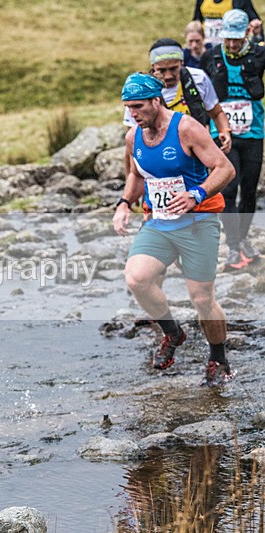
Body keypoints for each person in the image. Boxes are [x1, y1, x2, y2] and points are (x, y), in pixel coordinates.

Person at [113, 73, 235, 387]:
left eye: (138, 106)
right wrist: (125, 203)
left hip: (198, 222)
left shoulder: (187, 129)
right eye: (128, 108)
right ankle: (173, 333)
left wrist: (197, 193)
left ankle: (218, 357)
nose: (133, 114)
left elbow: (225, 168)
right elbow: (138, 175)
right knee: (137, 278)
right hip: (160, 223)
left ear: (157, 100)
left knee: (202, 299)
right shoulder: (133, 136)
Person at [200, 9, 265, 269]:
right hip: (221, 134)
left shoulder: (259, 54)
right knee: (228, 188)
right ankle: (233, 246)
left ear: (246, 34)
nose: (232, 44)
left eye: (237, 39)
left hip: (253, 131)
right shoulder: (211, 56)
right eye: (228, 39)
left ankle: (243, 239)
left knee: (249, 190)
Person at [123, 38, 232, 155]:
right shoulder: (140, 89)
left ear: (182, 62)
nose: (168, 76)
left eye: (174, 68)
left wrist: (225, 130)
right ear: (153, 66)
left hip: (196, 151)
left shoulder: (198, 78)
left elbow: (216, 112)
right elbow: (132, 138)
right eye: (161, 70)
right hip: (160, 153)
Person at [194, 0, 262, 47]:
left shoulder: (240, 1)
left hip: (231, 45)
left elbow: (256, 23)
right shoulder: (202, 1)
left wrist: (259, 40)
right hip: (206, 45)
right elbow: (196, 22)